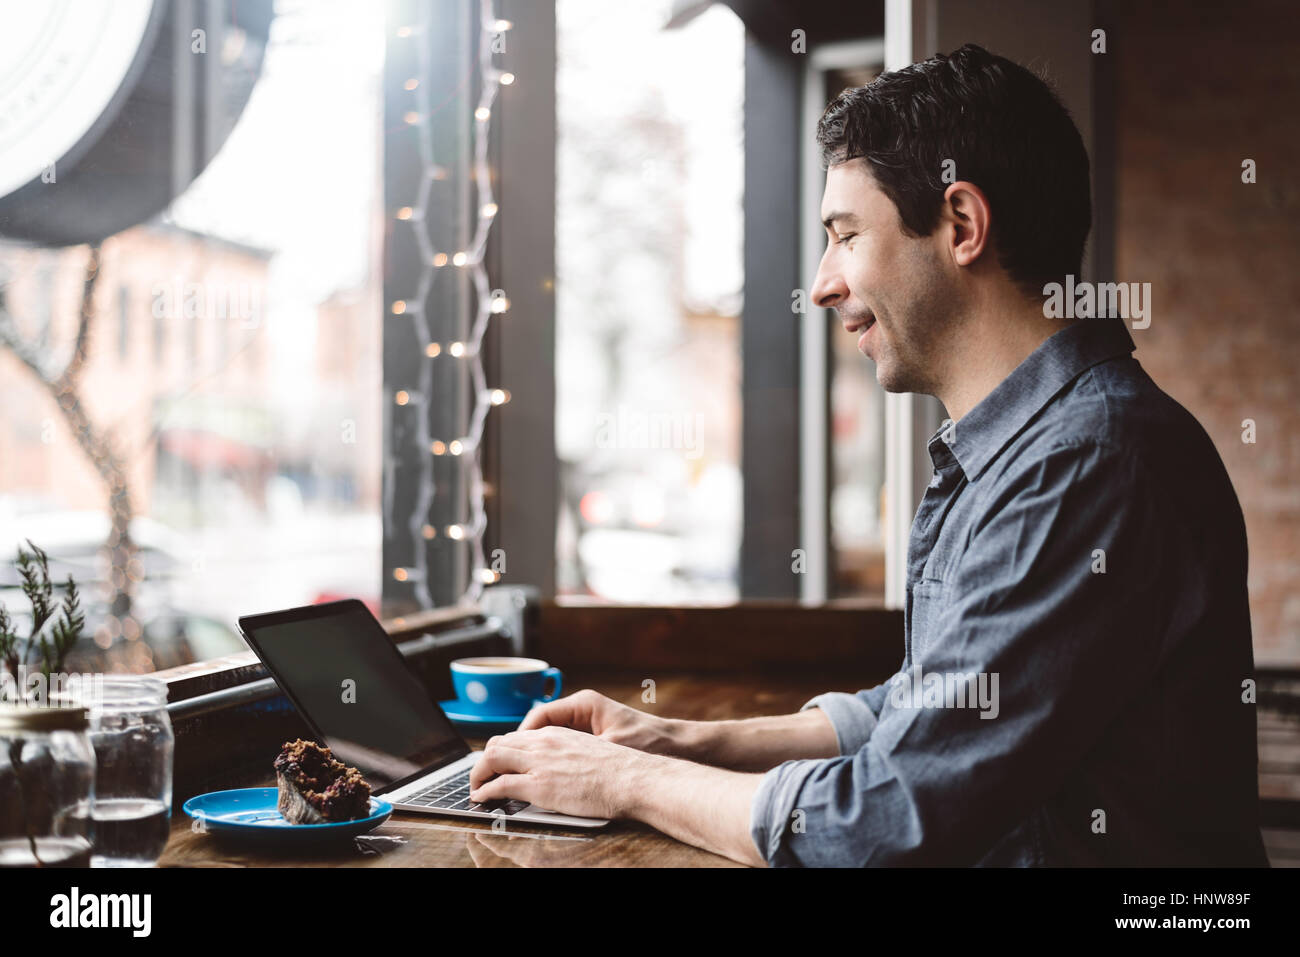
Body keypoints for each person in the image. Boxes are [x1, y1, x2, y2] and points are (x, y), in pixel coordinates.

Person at [469, 43, 1268, 867]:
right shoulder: (1028, 446)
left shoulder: (1087, 461)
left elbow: (886, 821)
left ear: (961, 224)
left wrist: (621, 781)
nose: (821, 283)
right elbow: (936, 705)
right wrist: (678, 739)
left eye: (845, 236)